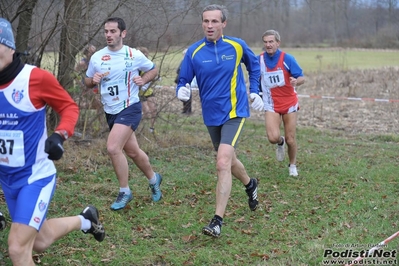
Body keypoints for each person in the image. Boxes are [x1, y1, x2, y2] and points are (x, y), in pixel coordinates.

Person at [0, 18, 105, 265]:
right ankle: (86, 220)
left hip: (35, 177)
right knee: (40, 240)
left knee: (17, 247)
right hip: (8, 180)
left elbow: (68, 107)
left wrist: (59, 135)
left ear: (9, 46)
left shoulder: (35, 78)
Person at [176, 5, 264, 238]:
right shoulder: (194, 52)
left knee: (222, 161)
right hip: (211, 115)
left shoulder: (237, 45)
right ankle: (250, 184)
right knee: (230, 159)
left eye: (215, 21)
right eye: (206, 21)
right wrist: (181, 90)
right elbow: (184, 78)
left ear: (223, 24)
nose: (209, 26)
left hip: (235, 111)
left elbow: (254, 66)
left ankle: (217, 221)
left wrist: (256, 91)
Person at [84, 17, 163, 211]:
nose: (109, 35)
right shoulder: (97, 57)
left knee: (112, 148)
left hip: (130, 107)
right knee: (133, 151)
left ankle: (124, 191)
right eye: (106, 32)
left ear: (123, 33)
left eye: (113, 31)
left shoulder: (133, 54)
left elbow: (153, 70)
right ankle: (154, 179)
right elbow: (86, 81)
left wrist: (143, 80)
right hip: (110, 111)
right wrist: (93, 80)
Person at [258, 29, 305, 177]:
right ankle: (280, 142)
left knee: (291, 139)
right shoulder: (258, 60)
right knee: (272, 137)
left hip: (289, 102)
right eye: (265, 42)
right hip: (271, 102)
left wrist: (296, 81)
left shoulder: (287, 58)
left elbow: (302, 77)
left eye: (271, 42)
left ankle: (292, 165)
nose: (268, 45)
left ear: (278, 43)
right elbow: (253, 77)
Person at [137, 46, 157, 133]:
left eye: (147, 55)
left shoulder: (149, 64)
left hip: (149, 91)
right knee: (146, 112)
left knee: (153, 110)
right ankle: (141, 128)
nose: (146, 57)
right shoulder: (137, 66)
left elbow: (155, 74)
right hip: (140, 93)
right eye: (144, 55)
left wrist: (156, 77)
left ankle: (152, 128)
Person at [175, 49, 193, 114]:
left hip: (187, 80)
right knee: (183, 95)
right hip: (181, 80)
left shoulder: (189, 62)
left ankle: (188, 111)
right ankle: (185, 110)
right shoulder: (183, 61)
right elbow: (177, 70)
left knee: (188, 95)